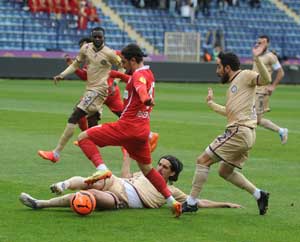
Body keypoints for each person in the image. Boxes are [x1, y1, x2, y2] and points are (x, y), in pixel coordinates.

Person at [76, 43, 182, 217]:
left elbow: (140, 88)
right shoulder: (148, 73)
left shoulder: (139, 75)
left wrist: (145, 98)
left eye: (124, 61)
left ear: (133, 60)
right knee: (148, 170)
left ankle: (102, 169)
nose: (122, 64)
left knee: (83, 137)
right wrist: (113, 73)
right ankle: (173, 201)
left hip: (127, 127)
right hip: (142, 131)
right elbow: (133, 81)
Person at [182, 44, 272, 216]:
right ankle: (259, 194)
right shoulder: (234, 85)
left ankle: (191, 202)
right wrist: (211, 104)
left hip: (239, 131)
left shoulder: (245, 75)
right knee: (225, 171)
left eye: (219, 67)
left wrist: (256, 58)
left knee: (202, 160)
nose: (217, 71)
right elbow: (229, 112)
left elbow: (266, 80)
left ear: (227, 68)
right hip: (247, 133)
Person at [19, 155, 242, 211]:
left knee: (92, 196)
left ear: (172, 173)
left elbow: (198, 202)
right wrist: (126, 153)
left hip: (124, 198)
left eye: (165, 167)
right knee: (95, 178)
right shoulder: (145, 173)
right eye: (160, 163)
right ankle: (63, 184)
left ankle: (41, 204)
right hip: (118, 183)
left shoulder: (171, 191)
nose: (160, 167)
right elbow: (126, 176)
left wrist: (225, 204)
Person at [38, 27, 122, 163]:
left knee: (75, 116)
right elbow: (76, 64)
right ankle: (131, 140)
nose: (98, 39)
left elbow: (122, 66)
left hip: (99, 90)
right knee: (93, 124)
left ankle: (56, 153)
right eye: (95, 37)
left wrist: (116, 83)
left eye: (100, 37)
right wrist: (62, 75)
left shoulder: (110, 53)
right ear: (92, 37)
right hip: (90, 89)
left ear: (104, 38)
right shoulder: (86, 49)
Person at [65, 39, 159, 152]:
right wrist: (74, 67)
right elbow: (85, 76)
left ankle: (89, 146)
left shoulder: (108, 53)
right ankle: (89, 139)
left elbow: (140, 85)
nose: (84, 50)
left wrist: (115, 82)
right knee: (87, 116)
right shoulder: (89, 62)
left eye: (85, 47)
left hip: (109, 94)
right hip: (98, 93)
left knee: (117, 116)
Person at [253, 35, 288, 144]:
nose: (260, 44)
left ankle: (281, 130)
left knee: (256, 120)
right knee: (253, 118)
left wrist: (273, 86)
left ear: (267, 44)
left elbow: (281, 72)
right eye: (259, 42)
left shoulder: (271, 56)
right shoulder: (256, 55)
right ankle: (281, 130)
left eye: (263, 42)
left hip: (261, 91)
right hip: (253, 89)